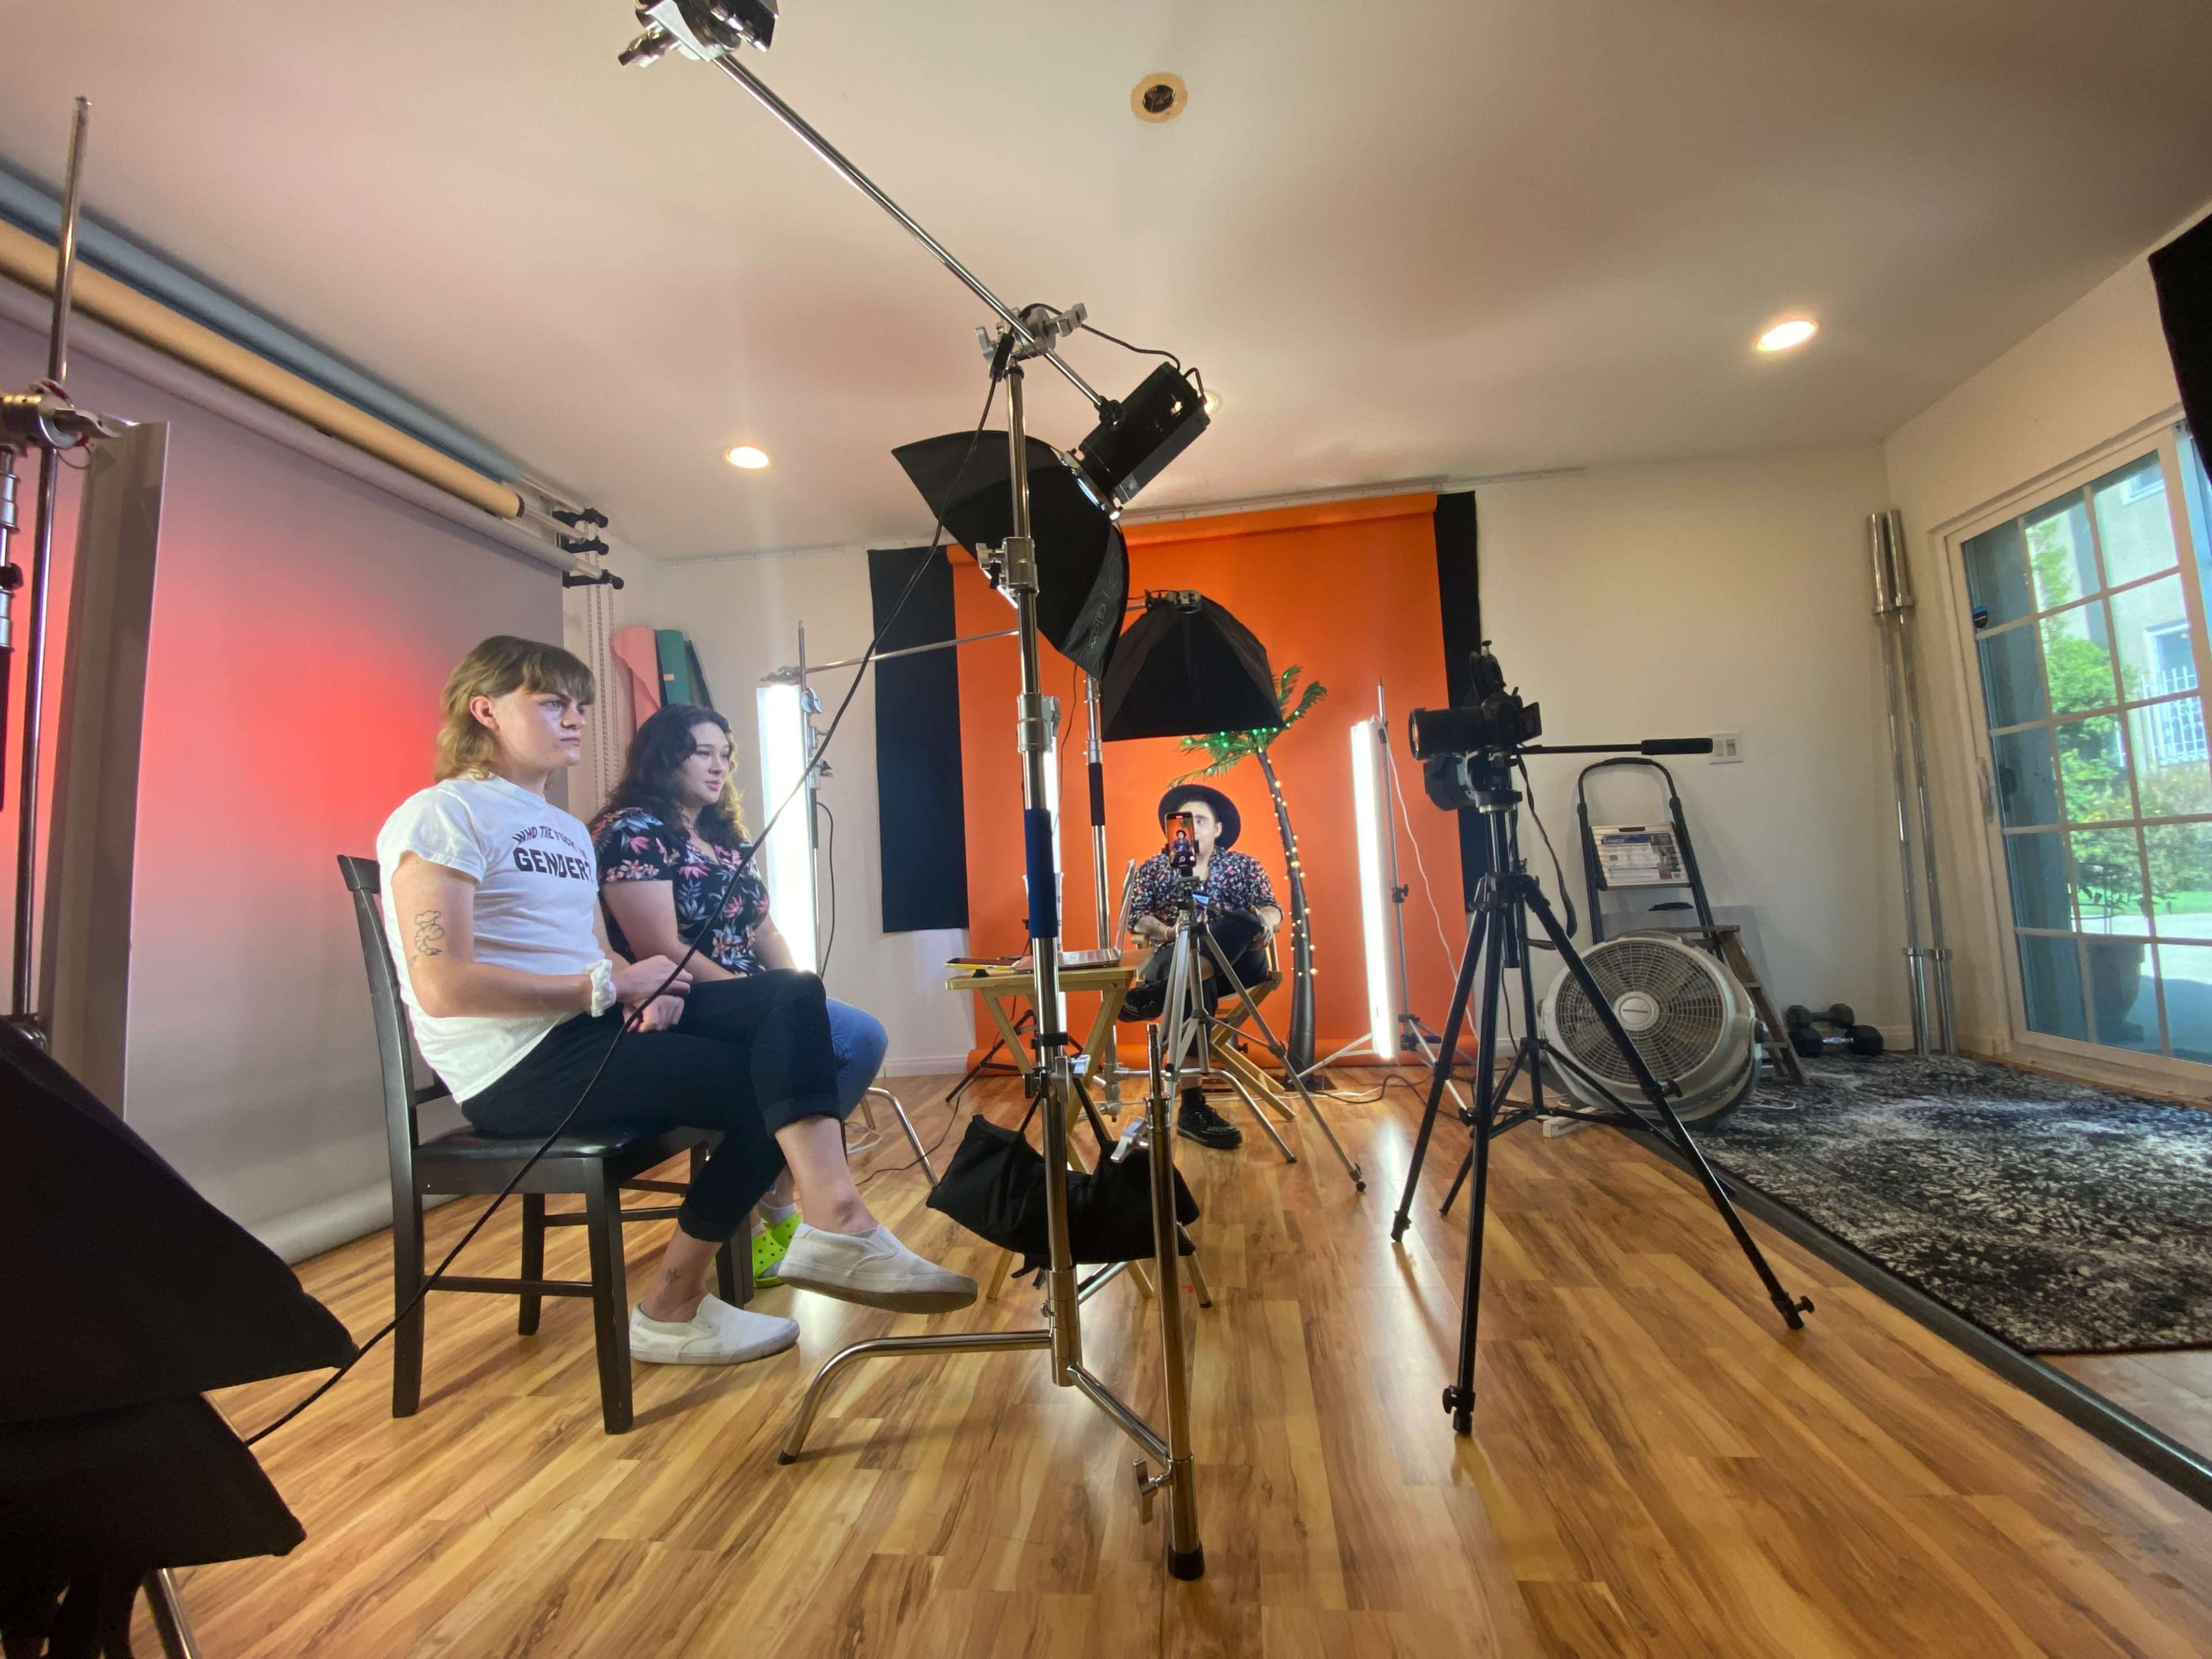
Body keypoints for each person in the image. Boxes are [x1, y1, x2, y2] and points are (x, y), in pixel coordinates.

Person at [375, 637, 973, 1373]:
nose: (576, 719)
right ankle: (763, 1259)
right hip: (520, 1071)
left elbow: (596, 952)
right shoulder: (441, 815)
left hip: (591, 1032)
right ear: (485, 710)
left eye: (582, 706)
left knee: (790, 1000)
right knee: (771, 1080)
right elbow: (444, 987)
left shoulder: (563, 830)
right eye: (553, 702)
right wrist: (606, 987)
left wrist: (640, 983)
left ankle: (785, 1245)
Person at [591, 703, 890, 1287]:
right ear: (663, 756)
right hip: (681, 999)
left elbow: (765, 930)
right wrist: (765, 1006)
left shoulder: (723, 837)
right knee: (844, 1040)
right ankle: (777, 1212)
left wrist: (800, 997)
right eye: (703, 752)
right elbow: (660, 943)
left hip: (750, 993)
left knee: (857, 1035)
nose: (719, 766)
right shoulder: (632, 829)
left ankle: (779, 1206)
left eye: (725, 755)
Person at [1122, 783, 1283, 1150]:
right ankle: (1193, 1109)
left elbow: (1271, 907)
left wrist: (1266, 922)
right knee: (1197, 977)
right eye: (1185, 821)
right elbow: (1138, 918)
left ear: (1217, 828)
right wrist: (1166, 929)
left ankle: (1158, 995)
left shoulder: (1244, 866)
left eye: (1201, 820)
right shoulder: (1155, 868)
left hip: (1239, 962)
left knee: (1242, 919)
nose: (1193, 827)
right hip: (1175, 954)